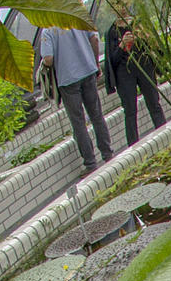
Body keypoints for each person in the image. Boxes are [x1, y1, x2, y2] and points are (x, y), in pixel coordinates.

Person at [37, 23, 114, 174]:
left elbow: (48, 59)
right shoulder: (75, 18)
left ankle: (91, 163)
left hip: (68, 80)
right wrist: (95, 63)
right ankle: (108, 154)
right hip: (88, 70)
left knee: (78, 123)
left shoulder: (48, 30)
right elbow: (95, 39)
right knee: (97, 115)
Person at [106, 6, 167, 146]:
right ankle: (134, 146)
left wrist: (144, 37)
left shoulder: (138, 24)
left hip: (144, 65)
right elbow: (112, 61)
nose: (120, 9)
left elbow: (154, 45)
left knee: (153, 102)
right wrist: (122, 45)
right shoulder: (112, 32)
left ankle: (164, 135)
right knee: (130, 110)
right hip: (124, 72)